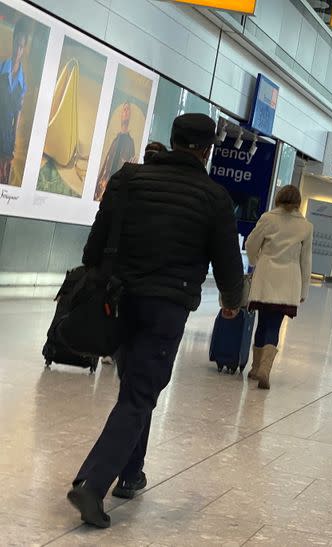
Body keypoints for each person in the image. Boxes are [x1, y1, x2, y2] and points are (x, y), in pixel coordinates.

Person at [67, 114, 244, 529]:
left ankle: (131, 472)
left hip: (118, 299)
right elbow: (228, 264)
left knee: (134, 386)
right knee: (139, 393)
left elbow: (94, 248)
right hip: (167, 305)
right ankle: (93, 484)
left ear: (173, 139)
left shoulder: (128, 181)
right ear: (207, 150)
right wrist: (233, 302)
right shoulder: (214, 197)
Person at [244, 185, 313, 390]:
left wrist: (256, 259)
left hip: (266, 277)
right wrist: (304, 290)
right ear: (298, 202)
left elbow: (250, 244)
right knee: (274, 325)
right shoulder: (306, 226)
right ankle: (265, 369)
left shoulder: (268, 218)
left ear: (279, 198)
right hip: (289, 281)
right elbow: (306, 260)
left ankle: (256, 368)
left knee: (262, 323)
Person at [0, 18, 32, 185]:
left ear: (24, 49)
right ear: (12, 42)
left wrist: (12, 140)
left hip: (6, 136)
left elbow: (18, 114)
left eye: (21, 47)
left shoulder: (22, 82)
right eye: (16, 44)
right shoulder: (0, 69)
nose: (17, 50)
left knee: (3, 178)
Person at [94, 101, 136, 201]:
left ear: (130, 115)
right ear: (121, 114)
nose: (126, 112)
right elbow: (106, 164)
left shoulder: (130, 143)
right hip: (105, 187)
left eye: (128, 110)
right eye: (124, 110)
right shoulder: (115, 140)